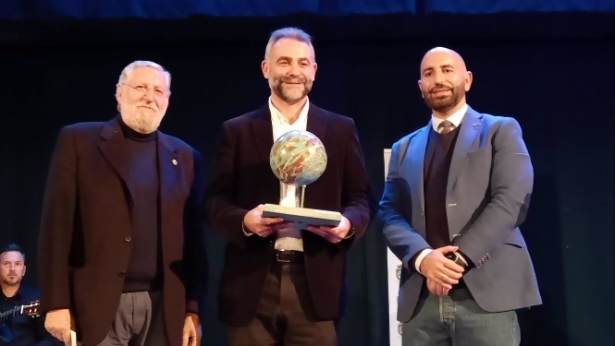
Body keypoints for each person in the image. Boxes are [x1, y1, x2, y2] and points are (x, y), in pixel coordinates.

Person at [204, 27, 373, 346]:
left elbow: (361, 198)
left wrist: (348, 224)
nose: (294, 71)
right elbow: (214, 202)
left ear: (314, 70)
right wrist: (244, 222)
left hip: (316, 283)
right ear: (266, 69)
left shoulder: (339, 130)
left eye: (302, 63)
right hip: (252, 282)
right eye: (284, 62)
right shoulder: (237, 131)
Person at [379, 47, 542, 346]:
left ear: (467, 80)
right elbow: (389, 212)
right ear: (421, 87)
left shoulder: (500, 129)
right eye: (429, 73)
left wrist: (456, 261)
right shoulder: (403, 148)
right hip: (422, 300)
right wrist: (424, 258)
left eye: (447, 70)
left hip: (486, 296)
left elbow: (511, 201)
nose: (438, 79)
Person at [38, 61, 205, 346]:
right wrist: (56, 303)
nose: (149, 97)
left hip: (164, 307)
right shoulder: (79, 141)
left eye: (158, 91)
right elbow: (57, 227)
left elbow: (194, 243)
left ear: (167, 99)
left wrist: (192, 308)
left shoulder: (186, 157)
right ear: (119, 93)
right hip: (96, 304)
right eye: (140, 87)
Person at [0, 244, 61, 346]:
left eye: (18, 264)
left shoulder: (35, 298)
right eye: (6, 264)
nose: (12, 269)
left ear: (23, 270)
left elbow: (52, 337)